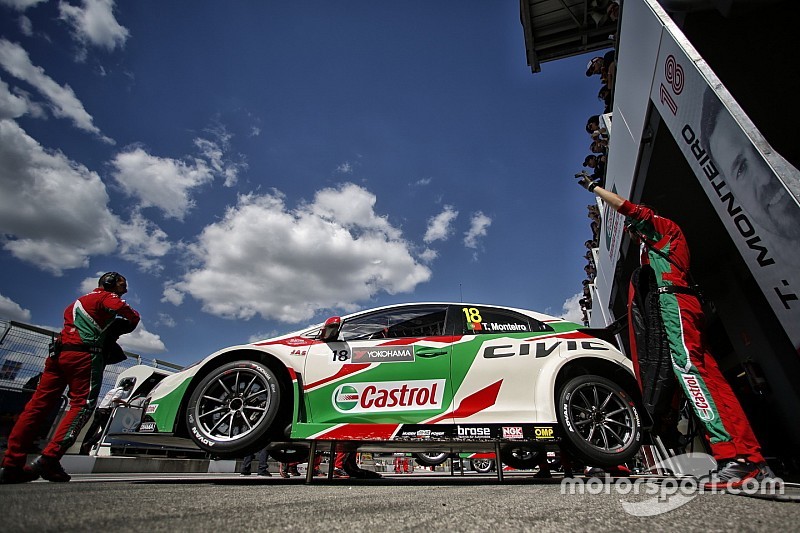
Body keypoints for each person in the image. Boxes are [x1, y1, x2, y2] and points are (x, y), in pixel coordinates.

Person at [574, 175, 777, 489]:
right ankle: (750, 459)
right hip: (681, 303)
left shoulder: (662, 227)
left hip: (674, 303)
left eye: (635, 229)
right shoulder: (661, 242)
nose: (632, 232)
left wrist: (594, 189)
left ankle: (732, 458)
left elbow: (631, 210)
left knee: (690, 373)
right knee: (712, 380)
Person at [0, 272, 140, 484]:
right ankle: (50, 457)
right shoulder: (106, 298)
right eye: (123, 284)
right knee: (81, 406)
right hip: (85, 355)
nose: (125, 290)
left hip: (57, 355)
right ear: (110, 283)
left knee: (37, 406)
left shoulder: (77, 302)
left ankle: (12, 464)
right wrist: (122, 324)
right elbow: (131, 315)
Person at [79, 376, 135, 455]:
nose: (129, 389)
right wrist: (124, 403)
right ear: (126, 385)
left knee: (92, 430)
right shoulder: (120, 391)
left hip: (99, 410)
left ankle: (83, 449)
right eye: (129, 387)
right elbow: (114, 399)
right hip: (105, 412)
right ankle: (89, 443)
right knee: (106, 430)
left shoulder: (112, 390)